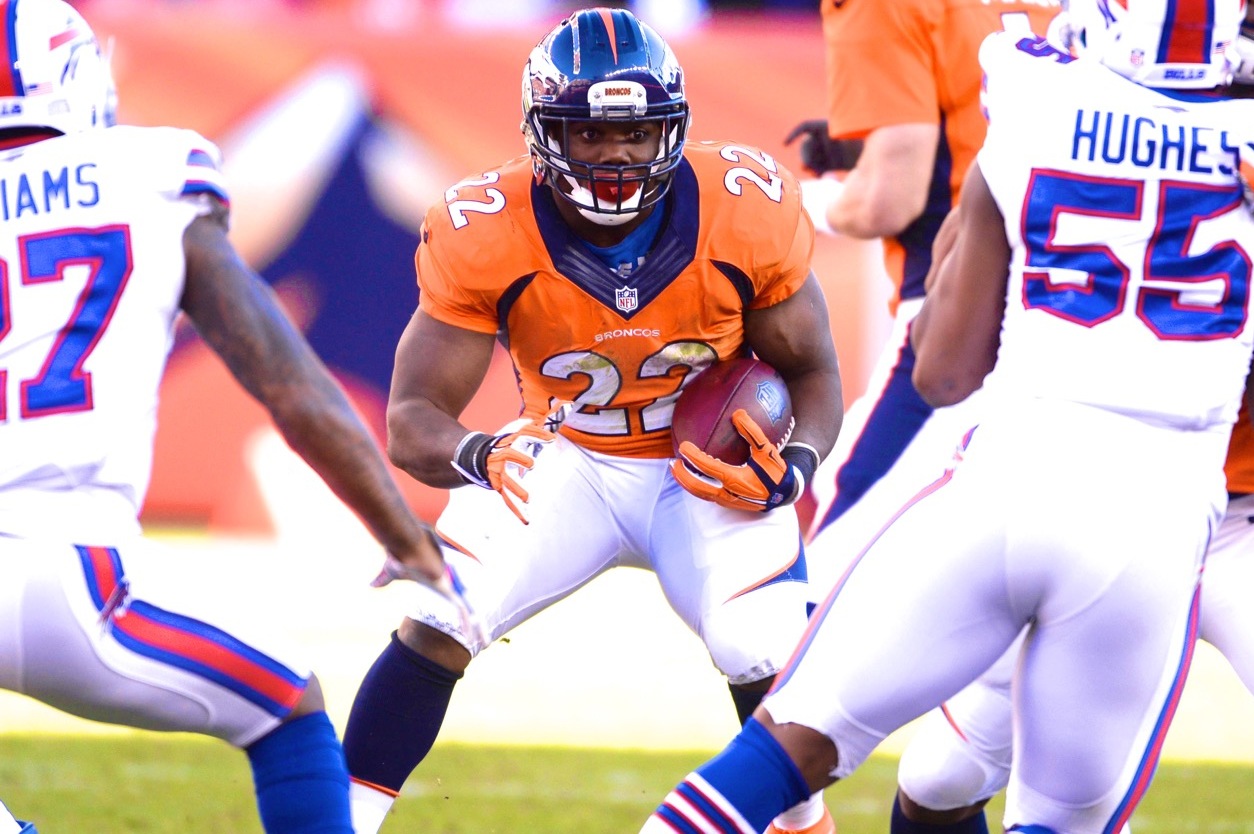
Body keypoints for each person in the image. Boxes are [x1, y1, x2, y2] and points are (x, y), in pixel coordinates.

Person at [643, 1, 1254, 832]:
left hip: (1010, 478)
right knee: (1050, 815)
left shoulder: (1038, 99)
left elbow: (944, 369)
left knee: (786, 748)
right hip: (1156, 518)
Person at [339, 8, 843, 834]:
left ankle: (803, 825)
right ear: (543, 134)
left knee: (761, 650)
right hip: (566, 454)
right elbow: (411, 416)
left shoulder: (741, 211)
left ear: (671, 132)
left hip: (706, 471)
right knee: (441, 612)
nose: (615, 157)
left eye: (637, 135)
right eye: (588, 134)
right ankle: (339, 825)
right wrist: (481, 452)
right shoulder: (486, 228)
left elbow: (814, 371)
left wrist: (796, 465)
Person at [0, 1, 469, 831]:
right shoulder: (145, 174)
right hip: (63, 569)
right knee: (288, 701)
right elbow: (289, 383)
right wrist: (401, 532)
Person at [883, 13, 1254, 832]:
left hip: (1235, 510)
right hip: (1090, 490)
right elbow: (948, 336)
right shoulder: (1057, 127)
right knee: (947, 772)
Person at [786, 0, 1060, 590]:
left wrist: (786, 204)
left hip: (964, 317)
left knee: (825, 572)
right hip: (1082, 315)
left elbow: (891, 199)